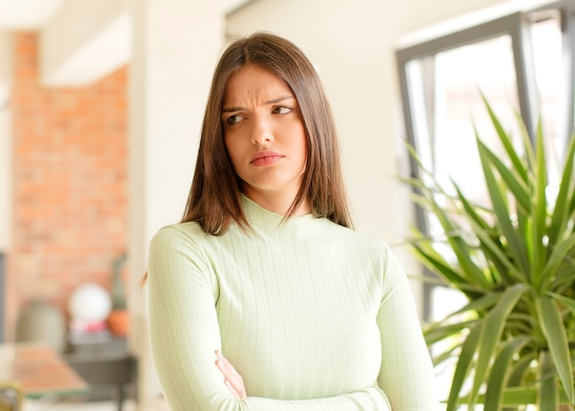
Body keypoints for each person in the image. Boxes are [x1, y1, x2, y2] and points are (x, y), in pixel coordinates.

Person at [146, 32, 438, 411]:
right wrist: (372, 402)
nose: (260, 135)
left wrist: (252, 405)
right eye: (236, 119)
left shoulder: (373, 259)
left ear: (313, 116)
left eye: (280, 109)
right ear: (220, 139)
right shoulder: (185, 250)